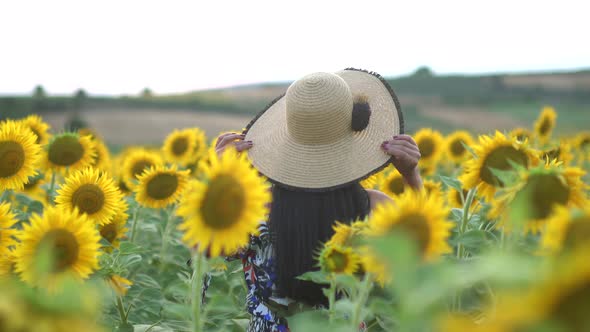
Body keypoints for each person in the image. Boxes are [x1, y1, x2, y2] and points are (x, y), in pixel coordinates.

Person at [214, 69, 422, 331]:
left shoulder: (252, 209)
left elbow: (209, 248)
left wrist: (223, 179)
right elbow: (418, 262)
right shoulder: (376, 208)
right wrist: (412, 177)